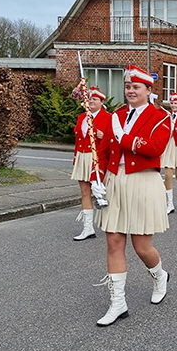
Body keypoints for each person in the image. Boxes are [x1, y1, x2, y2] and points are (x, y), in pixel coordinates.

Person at [89, 64, 172, 327]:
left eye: (136, 87)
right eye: (127, 87)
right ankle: (118, 303)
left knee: (142, 247)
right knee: (113, 242)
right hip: (115, 180)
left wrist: (124, 137)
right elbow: (101, 150)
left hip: (143, 181)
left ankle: (159, 275)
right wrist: (96, 177)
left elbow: (155, 148)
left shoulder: (161, 117)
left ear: (149, 90)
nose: (131, 91)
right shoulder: (116, 115)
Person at [71, 86, 111, 241]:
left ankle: (113, 224)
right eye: (90, 99)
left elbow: (114, 140)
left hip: (97, 158)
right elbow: (78, 139)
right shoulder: (82, 117)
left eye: (95, 99)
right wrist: (76, 158)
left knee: (102, 193)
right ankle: (88, 228)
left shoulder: (108, 117)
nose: (92, 101)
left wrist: (104, 136)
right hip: (82, 156)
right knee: (84, 191)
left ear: (102, 102)